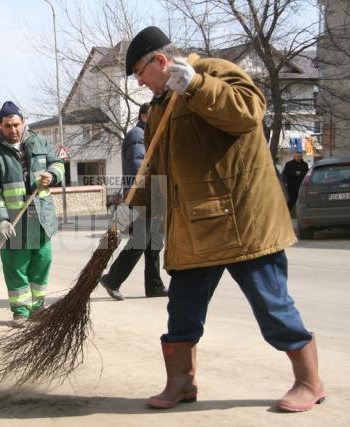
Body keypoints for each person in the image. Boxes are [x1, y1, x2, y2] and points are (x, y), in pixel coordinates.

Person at [123, 26, 324, 412]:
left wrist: (197, 86)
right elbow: (156, 170)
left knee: (272, 306)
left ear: (159, 62)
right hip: (193, 228)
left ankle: (308, 381)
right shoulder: (160, 109)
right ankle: (181, 382)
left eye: (139, 73)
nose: (139, 83)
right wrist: (132, 208)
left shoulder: (215, 72)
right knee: (181, 311)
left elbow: (248, 113)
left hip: (242, 223)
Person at [0, 101, 65, 328]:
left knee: (42, 261)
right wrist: (0, 219)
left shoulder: (40, 142)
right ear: (0, 126)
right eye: (8, 126)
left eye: (16, 124)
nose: (13, 130)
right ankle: (20, 310)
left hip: (41, 218)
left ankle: (38, 307)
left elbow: (58, 163)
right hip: (13, 222)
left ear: (23, 122)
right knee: (16, 266)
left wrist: (52, 174)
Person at [100, 102, 168, 300]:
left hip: (154, 193)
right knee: (140, 240)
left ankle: (154, 285)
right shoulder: (137, 135)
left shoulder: (151, 135)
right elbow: (140, 166)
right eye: (154, 115)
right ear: (145, 116)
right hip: (140, 195)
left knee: (154, 242)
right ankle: (112, 279)